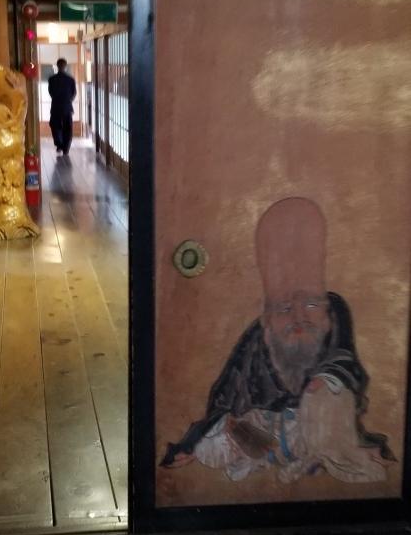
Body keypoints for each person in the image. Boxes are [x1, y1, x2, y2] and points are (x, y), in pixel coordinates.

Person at [161, 197, 394, 485]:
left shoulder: (336, 314)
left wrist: (326, 384)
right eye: (284, 308)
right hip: (265, 435)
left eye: (311, 304)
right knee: (219, 443)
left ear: (325, 308)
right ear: (267, 320)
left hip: (320, 427)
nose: (299, 318)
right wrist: (195, 441)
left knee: (328, 404)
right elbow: (224, 398)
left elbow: (345, 364)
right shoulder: (258, 339)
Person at [48, 57, 76, 155]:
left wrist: (57, 99)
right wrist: (68, 100)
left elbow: (50, 92)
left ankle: (59, 144)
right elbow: (74, 93)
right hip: (67, 107)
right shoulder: (70, 79)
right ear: (65, 66)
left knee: (55, 126)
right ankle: (66, 148)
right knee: (68, 128)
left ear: (57, 66)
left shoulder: (52, 79)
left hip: (56, 106)